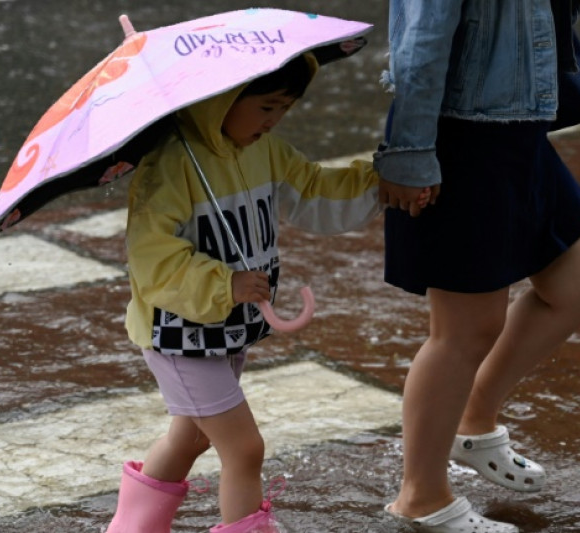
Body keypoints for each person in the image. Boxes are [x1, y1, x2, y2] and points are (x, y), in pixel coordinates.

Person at [106, 53, 385, 533]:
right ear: (222, 99)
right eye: (266, 106)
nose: (274, 120)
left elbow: (314, 190)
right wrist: (225, 283)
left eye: (284, 108)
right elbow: (151, 258)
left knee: (191, 438)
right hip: (181, 336)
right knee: (244, 448)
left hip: (227, 330)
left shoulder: (265, 151)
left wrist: (383, 183)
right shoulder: (170, 164)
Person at [375, 1, 580, 532]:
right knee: (464, 331)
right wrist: (411, 152)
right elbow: (419, 49)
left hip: (519, 128)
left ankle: (474, 418)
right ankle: (422, 497)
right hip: (462, 134)